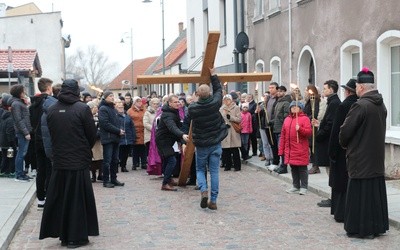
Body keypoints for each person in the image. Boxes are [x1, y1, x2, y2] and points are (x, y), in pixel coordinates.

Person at [39, 79, 99, 248]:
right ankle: (76, 237)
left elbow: (51, 135)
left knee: (63, 199)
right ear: (75, 91)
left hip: (60, 161)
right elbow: (91, 135)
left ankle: (65, 235)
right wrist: (83, 148)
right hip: (78, 161)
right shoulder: (82, 108)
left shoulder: (51, 109)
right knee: (77, 200)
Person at [340, 68, 388, 239]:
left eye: (358, 86)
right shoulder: (381, 104)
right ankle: (376, 226)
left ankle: (360, 228)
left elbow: (345, 131)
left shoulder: (360, 105)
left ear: (360, 87)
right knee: (374, 194)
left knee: (360, 197)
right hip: (375, 158)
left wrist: (344, 144)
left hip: (360, 159)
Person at [187, 68, 228, 210]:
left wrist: (192, 100)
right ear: (208, 93)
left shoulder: (193, 108)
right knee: (215, 171)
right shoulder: (215, 103)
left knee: (200, 169)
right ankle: (214, 200)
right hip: (215, 142)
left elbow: (188, 115)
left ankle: (204, 190)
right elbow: (218, 90)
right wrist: (214, 75)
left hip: (202, 144)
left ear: (197, 94)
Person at [328, 79, 358, 222]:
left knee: (340, 183)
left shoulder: (344, 106)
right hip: (355, 150)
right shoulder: (359, 105)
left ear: (347, 92)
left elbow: (336, 131)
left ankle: (340, 212)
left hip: (341, 150)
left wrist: (332, 151)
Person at [313, 80, 341, 208]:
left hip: (329, 141)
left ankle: (333, 198)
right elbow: (328, 122)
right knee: (329, 170)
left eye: (325, 89)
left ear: (331, 90)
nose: (323, 91)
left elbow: (331, 124)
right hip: (328, 140)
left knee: (332, 171)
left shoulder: (334, 103)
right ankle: (332, 197)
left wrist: (320, 133)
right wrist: (319, 124)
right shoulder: (331, 102)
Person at [156, 95, 188, 191]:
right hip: (163, 141)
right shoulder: (167, 115)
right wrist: (182, 135)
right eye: (175, 102)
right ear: (169, 103)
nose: (178, 103)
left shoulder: (174, 112)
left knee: (167, 160)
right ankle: (165, 183)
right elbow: (172, 127)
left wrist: (181, 141)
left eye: (178, 101)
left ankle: (168, 179)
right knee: (172, 160)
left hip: (168, 140)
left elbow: (178, 126)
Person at [279, 101, 312, 195]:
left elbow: (308, 132)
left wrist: (300, 129)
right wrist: (281, 149)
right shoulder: (287, 119)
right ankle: (295, 185)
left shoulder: (305, 119)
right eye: (292, 107)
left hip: (300, 148)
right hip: (290, 149)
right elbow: (283, 135)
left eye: (296, 107)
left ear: (300, 108)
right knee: (293, 167)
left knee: (302, 168)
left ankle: (304, 186)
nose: (293, 108)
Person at [98, 91, 125, 188]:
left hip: (115, 138)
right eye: (110, 96)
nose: (112, 97)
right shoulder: (103, 108)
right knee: (107, 161)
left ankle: (114, 179)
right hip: (108, 138)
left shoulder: (113, 108)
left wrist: (120, 130)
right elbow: (105, 124)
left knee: (115, 160)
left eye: (113, 96)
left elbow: (116, 121)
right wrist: (118, 131)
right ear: (105, 98)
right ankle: (106, 180)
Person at [9, 84, 32, 182]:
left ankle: (21, 173)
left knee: (22, 153)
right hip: (22, 132)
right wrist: (26, 132)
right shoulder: (16, 104)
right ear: (19, 92)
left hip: (23, 131)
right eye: (23, 91)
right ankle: (19, 175)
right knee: (21, 153)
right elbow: (19, 120)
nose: (25, 92)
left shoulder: (18, 102)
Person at [271, 85, 291, 174]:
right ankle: (281, 165)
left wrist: (281, 119)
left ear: (284, 92)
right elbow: (276, 116)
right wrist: (272, 121)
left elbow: (287, 116)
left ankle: (284, 166)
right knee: (279, 148)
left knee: (282, 148)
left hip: (282, 129)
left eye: (281, 91)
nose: (279, 93)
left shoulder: (286, 103)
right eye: (278, 91)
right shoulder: (278, 102)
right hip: (276, 128)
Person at [220, 94, 242, 171]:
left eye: (228, 99)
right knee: (226, 150)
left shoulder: (236, 108)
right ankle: (227, 165)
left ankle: (237, 166)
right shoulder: (221, 109)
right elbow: (219, 120)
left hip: (233, 131)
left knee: (235, 150)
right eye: (225, 100)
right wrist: (224, 124)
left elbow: (239, 119)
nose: (227, 101)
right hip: (225, 131)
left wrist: (230, 117)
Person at [303, 85, 321, 174]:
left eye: (306, 90)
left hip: (313, 125)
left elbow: (315, 113)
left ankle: (316, 165)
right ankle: (314, 163)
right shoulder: (309, 101)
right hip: (309, 125)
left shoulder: (315, 100)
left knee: (314, 146)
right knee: (311, 145)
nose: (305, 92)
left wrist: (307, 118)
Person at [116, 99, 136, 173]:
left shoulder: (127, 117)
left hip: (128, 137)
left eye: (122, 107)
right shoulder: (115, 117)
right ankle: (118, 165)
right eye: (119, 107)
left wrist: (133, 136)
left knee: (126, 154)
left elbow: (132, 126)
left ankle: (123, 166)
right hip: (119, 138)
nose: (121, 109)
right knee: (119, 153)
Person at [127, 96, 147, 170]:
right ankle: (135, 163)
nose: (139, 103)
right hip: (134, 131)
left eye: (140, 101)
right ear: (134, 102)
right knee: (135, 149)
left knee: (143, 148)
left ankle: (144, 163)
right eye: (137, 101)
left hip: (143, 131)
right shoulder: (130, 111)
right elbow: (128, 121)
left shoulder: (144, 110)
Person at [0, 94, 16, 178]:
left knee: (5, 157)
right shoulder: (10, 118)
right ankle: (12, 171)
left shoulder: (3, 116)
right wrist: (12, 143)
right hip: (8, 142)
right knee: (11, 157)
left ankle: (3, 171)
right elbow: (9, 132)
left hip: (3, 141)